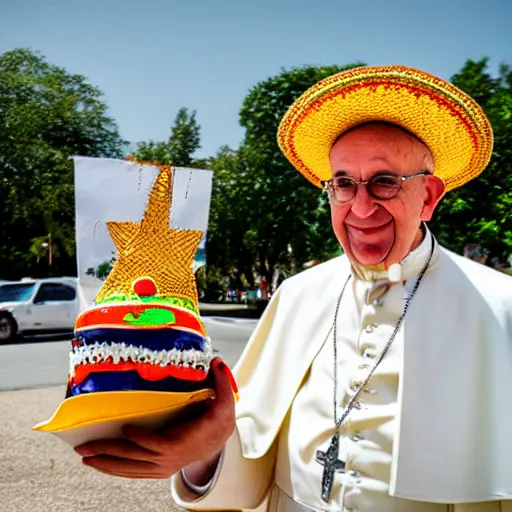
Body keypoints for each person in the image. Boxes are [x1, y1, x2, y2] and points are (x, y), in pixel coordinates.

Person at [74, 66, 512, 511]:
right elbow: (250, 447)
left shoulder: (501, 307)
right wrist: (201, 452)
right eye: (343, 184)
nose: (361, 207)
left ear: (430, 196)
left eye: (384, 182)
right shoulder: (298, 295)